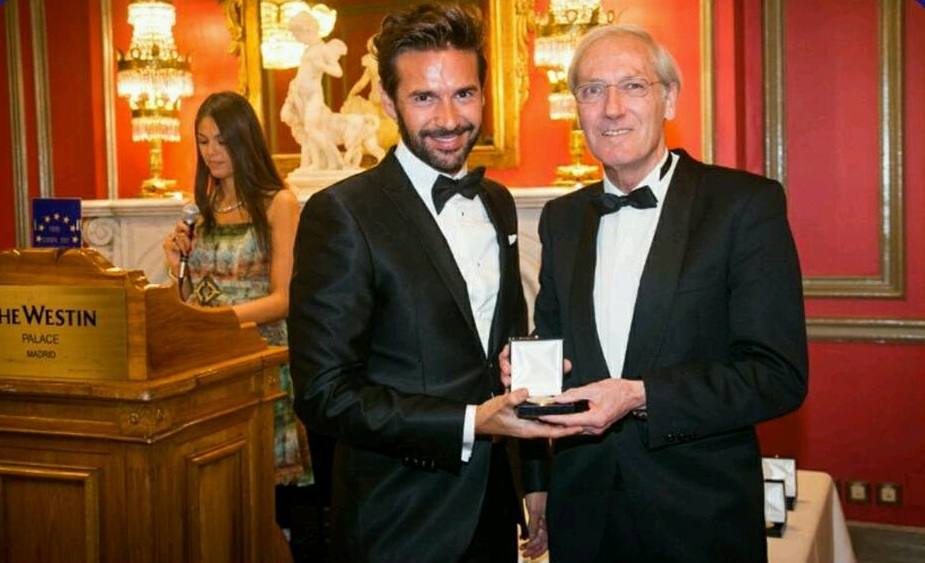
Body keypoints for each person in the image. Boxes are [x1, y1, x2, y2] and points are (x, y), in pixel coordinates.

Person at [504, 24, 809, 562]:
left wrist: (641, 394)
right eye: (592, 90)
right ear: (577, 108)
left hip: (699, 515)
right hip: (583, 514)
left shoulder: (742, 206)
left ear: (669, 97)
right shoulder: (561, 218)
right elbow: (553, 350)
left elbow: (777, 376)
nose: (612, 108)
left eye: (633, 86)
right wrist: (536, 474)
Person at [287, 4, 578, 562]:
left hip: (494, 511)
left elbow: (511, 352)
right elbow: (323, 395)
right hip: (399, 521)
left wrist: (534, 476)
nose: (449, 118)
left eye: (464, 94)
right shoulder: (341, 214)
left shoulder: (496, 203)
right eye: (425, 98)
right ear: (389, 101)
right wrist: (469, 422)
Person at [161, 91, 315, 559]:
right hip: (208, 365)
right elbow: (184, 301)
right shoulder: (202, 209)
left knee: (263, 503)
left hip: (260, 365)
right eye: (204, 141)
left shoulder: (279, 203)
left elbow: (284, 300)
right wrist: (175, 265)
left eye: (222, 140)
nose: (212, 152)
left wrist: (213, 322)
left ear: (245, 140)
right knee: (215, 494)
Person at [280, 11, 347, 171]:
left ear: (308, 30)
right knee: (308, 132)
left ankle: (336, 160)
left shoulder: (323, 49)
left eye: (298, 34)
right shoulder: (308, 50)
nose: (297, 38)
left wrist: (320, 65)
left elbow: (338, 72)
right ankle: (315, 163)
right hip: (300, 97)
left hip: (313, 96)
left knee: (312, 129)